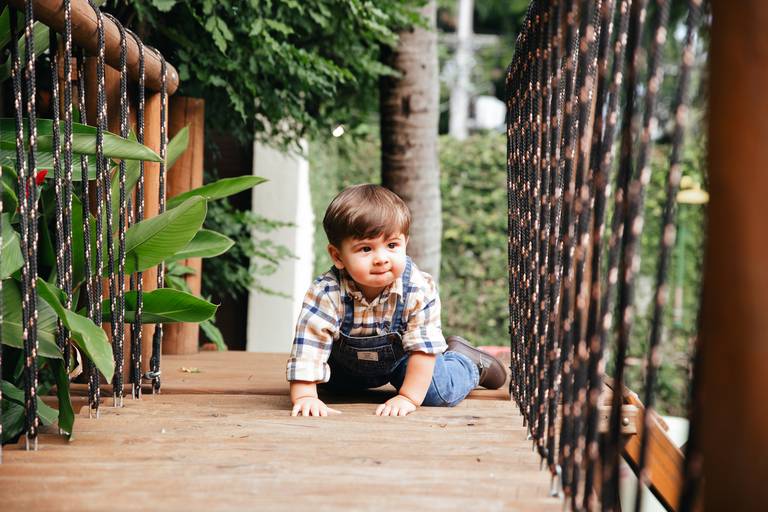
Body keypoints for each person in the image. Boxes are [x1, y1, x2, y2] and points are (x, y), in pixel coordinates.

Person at [286, 184, 506, 417]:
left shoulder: (417, 288)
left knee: (438, 392)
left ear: (405, 243)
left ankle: (467, 362)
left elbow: (421, 350)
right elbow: (309, 347)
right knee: (326, 386)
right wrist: (305, 396)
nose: (381, 258)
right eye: (366, 249)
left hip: (402, 361)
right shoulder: (327, 292)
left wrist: (408, 397)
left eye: (392, 245)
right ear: (337, 256)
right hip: (344, 369)